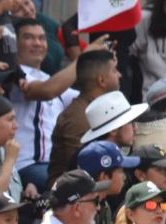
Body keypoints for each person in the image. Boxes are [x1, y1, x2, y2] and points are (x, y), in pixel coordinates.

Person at [46, 50, 122, 184]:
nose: (120, 75)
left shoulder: (94, 111)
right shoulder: (78, 118)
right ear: (102, 80)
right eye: (115, 71)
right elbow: (83, 168)